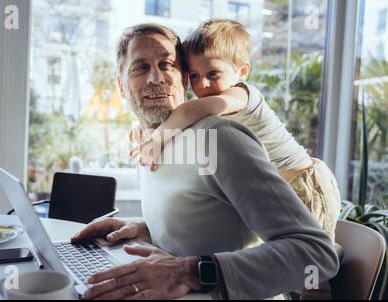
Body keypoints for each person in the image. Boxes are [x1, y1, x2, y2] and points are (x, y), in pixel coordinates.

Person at [71, 23, 339, 300]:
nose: (156, 78)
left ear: (184, 79)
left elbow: (316, 255)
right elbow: (207, 223)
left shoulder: (218, 138)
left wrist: (188, 271)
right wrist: (142, 230)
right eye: (140, 67)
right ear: (121, 86)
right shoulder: (147, 143)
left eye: (167, 65)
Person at [130, 19, 340, 242]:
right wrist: (140, 125)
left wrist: (157, 137)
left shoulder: (242, 94)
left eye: (213, 73)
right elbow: (185, 114)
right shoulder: (210, 100)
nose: (203, 85)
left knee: (309, 252)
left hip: (305, 184)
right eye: (194, 76)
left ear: (242, 72)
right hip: (281, 186)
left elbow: (189, 111)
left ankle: (325, 276)